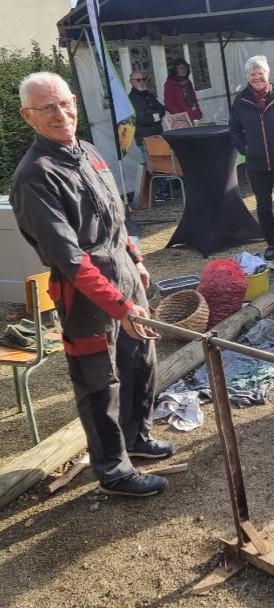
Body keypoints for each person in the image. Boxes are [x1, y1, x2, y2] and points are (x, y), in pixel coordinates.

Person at [10, 72, 174, 498]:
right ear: (28, 116)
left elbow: (116, 214)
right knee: (100, 382)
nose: (61, 113)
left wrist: (135, 259)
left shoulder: (87, 151)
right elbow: (68, 258)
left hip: (124, 277)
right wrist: (119, 304)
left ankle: (136, 437)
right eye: (48, 107)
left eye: (65, 103)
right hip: (86, 296)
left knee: (140, 361)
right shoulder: (34, 176)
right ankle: (114, 471)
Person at [229, 56, 274, 260]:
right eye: (252, 74)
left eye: (260, 73)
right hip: (256, 164)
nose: (257, 77)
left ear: (267, 74)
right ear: (247, 76)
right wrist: (246, 149)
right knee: (263, 206)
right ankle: (271, 244)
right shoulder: (241, 100)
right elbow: (234, 129)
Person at [128, 70, 170, 203]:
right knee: (153, 165)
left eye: (143, 79)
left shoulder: (148, 95)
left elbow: (162, 110)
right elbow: (141, 118)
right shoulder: (132, 99)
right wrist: (155, 116)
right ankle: (156, 193)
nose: (142, 82)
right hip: (145, 138)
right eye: (138, 80)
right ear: (131, 82)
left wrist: (152, 115)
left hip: (157, 135)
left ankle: (162, 192)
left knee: (162, 163)